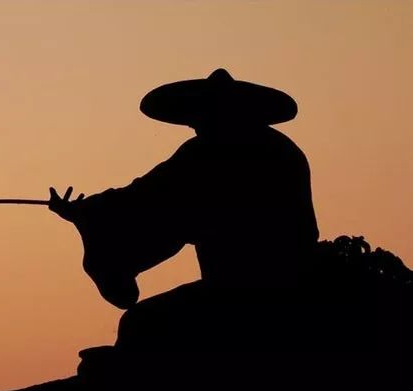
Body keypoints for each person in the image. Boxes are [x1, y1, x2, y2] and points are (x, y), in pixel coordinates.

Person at [49, 69, 320, 350]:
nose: (195, 124)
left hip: (250, 286)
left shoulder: (211, 151)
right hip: (285, 274)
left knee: (140, 324)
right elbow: (155, 193)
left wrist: (91, 211)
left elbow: (149, 193)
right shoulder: (281, 148)